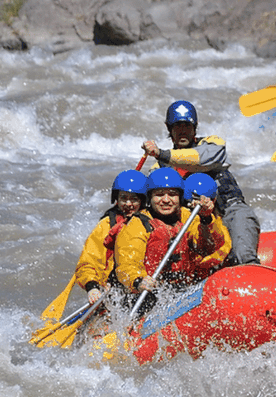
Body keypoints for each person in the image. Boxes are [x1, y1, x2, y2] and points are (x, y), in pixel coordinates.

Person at [142, 100, 260, 266]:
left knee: (243, 253)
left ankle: (249, 266)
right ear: (169, 129)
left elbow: (200, 159)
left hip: (228, 212)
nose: (183, 131)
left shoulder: (213, 144)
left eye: (187, 126)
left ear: (195, 127)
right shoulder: (159, 168)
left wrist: (162, 153)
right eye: (177, 126)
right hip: (194, 223)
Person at [114, 170, 231, 314]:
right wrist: (138, 281)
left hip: (184, 290)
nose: (166, 200)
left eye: (172, 194)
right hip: (148, 293)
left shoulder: (189, 216)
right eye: (159, 194)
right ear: (149, 198)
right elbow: (127, 263)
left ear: (180, 197)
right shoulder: (138, 224)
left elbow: (207, 247)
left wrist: (206, 219)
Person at [74, 169, 149, 304]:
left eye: (134, 199)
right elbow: (89, 261)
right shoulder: (106, 225)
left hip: (146, 282)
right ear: (116, 199)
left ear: (143, 200)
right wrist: (92, 286)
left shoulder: (151, 221)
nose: (128, 204)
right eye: (123, 198)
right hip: (116, 288)